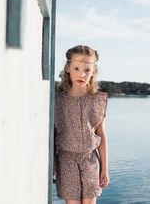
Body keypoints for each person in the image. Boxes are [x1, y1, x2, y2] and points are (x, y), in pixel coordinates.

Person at [53, 45, 109, 204]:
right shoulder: (57, 100)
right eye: (76, 68)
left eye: (87, 70)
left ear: (94, 71)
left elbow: (101, 134)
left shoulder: (97, 100)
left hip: (90, 159)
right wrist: (53, 164)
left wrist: (104, 168)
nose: (81, 74)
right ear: (67, 68)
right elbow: (53, 134)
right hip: (66, 160)